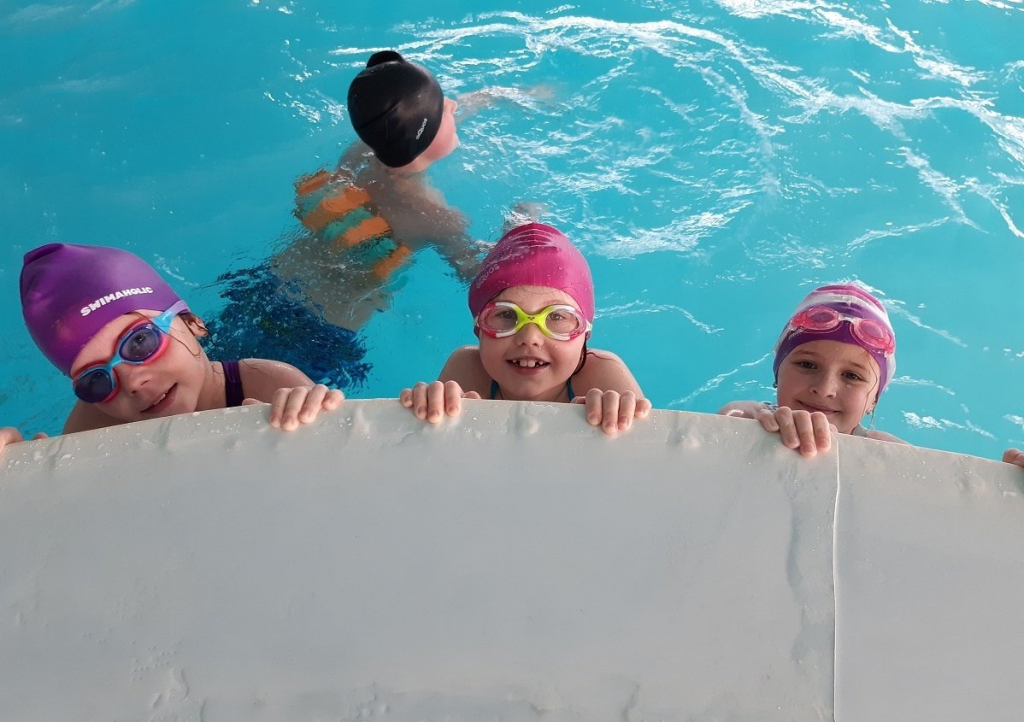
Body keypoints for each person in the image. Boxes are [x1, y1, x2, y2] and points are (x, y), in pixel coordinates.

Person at [204, 50, 486, 388]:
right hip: (320, 334)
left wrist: (484, 100)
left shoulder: (361, 152)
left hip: (268, 290)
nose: (453, 104)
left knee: (210, 379)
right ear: (425, 138)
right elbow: (479, 273)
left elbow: (410, 126)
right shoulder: (436, 218)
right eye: (444, 106)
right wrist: (520, 223)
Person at [12, 242, 342, 439]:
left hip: (301, 342)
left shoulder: (269, 383)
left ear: (192, 322)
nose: (132, 383)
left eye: (140, 342)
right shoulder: (95, 424)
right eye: (95, 380)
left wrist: (305, 419)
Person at [399, 222, 651, 435]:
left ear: (585, 334)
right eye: (506, 314)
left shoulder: (603, 374)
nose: (530, 337)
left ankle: (520, 221)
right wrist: (434, 405)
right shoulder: (468, 368)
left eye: (557, 317)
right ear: (479, 330)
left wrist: (618, 416)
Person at [719, 284, 904, 456]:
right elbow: (728, 418)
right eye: (807, 365)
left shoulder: (886, 451)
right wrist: (742, 421)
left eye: (851, 376)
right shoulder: (758, 418)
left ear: (874, 400)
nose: (824, 389)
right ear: (778, 373)